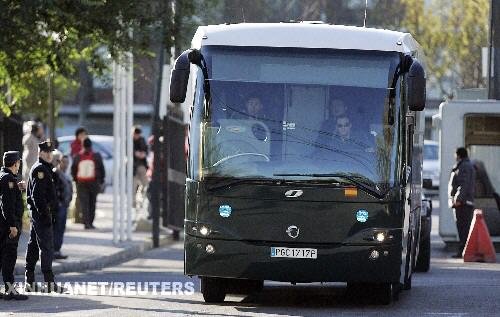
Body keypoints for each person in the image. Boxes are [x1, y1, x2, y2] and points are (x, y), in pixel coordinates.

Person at [25, 140, 60, 292]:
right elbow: (37, 196)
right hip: (41, 215)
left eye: (51, 152)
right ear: (40, 153)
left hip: (39, 215)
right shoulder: (40, 169)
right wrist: (46, 215)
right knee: (47, 247)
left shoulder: (45, 168)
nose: (49, 155)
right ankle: (49, 282)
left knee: (33, 246)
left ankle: (30, 281)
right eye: (46, 152)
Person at [0, 151, 29, 300]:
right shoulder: (8, 179)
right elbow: (7, 205)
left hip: (4, 225)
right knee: (9, 258)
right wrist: (12, 225)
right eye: (18, 163)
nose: (19, 166)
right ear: (15, 163)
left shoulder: (4, 177)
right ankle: (10, 290)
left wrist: (17, 187)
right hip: (8, 226)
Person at [71, 138, 105, 229]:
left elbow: (73, 169)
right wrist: (101, 181)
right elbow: (102, 169)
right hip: (94, 182)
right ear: (91, 145)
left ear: (83, 145)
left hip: (81, 183)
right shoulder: (96, 156)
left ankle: (86, 223)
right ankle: (90, 222)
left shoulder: (78, 156)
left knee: (84, 203)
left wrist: (75, 180)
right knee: (92, 202)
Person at [448, 147, 476, 259]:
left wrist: (458, 199)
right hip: (462, 202)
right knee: (463, 228)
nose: (454, 156)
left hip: (463, 203)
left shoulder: (464, 166)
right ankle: (463, 251)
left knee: (463, 228)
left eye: (455, 154)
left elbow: (463, 184)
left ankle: (463, 251)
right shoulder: (465, 165)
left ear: (458, 155)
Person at [52, 151, 72, 260]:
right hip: (59, 206)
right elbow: (55, 191)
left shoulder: (65, 174)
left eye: (67, 162)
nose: (66, 164)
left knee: (61, 228)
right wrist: (58, 203)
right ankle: (54, 250)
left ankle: (57, 250)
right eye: (64, 162)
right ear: (59, 162)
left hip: (64, 205)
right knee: (57, 228)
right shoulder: (56, 173)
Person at [133, 126, 149, 208]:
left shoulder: (142, 140)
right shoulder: (130, 141)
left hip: (141, 165)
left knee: (145, 184)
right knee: (133, 186)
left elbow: (146, 150)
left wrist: (143, 154)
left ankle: (141, 200)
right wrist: (135, 153)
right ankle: (133, 203)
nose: (137, 136)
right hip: (133, 167)